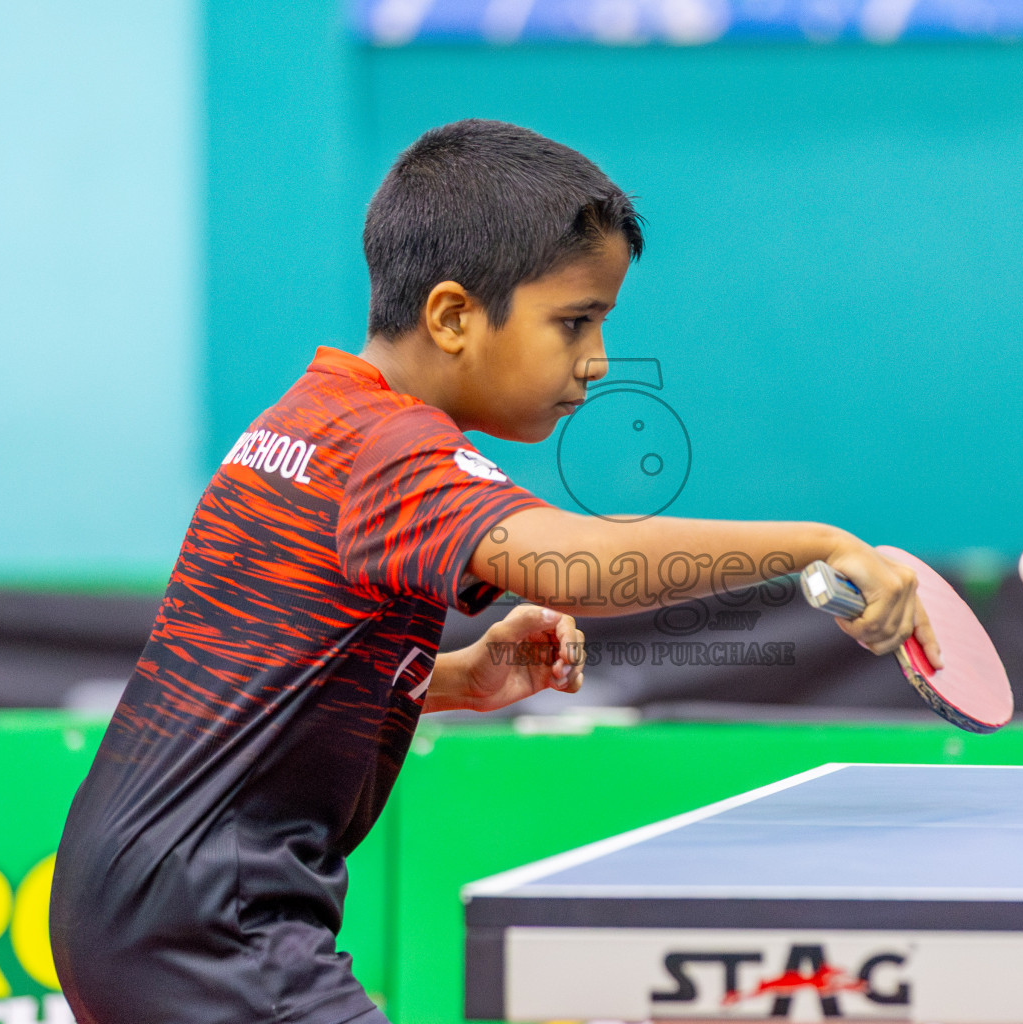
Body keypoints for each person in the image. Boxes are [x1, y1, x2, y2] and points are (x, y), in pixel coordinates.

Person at [49, 118, 937, 1024]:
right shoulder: (389, 450)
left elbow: (250, 675)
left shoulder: (311, 417)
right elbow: (578, 566)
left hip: (125, 895)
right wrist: (817, 543)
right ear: (452, 316)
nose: (596, 363)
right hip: (212, 920)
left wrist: (442, 681)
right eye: (575, 321)